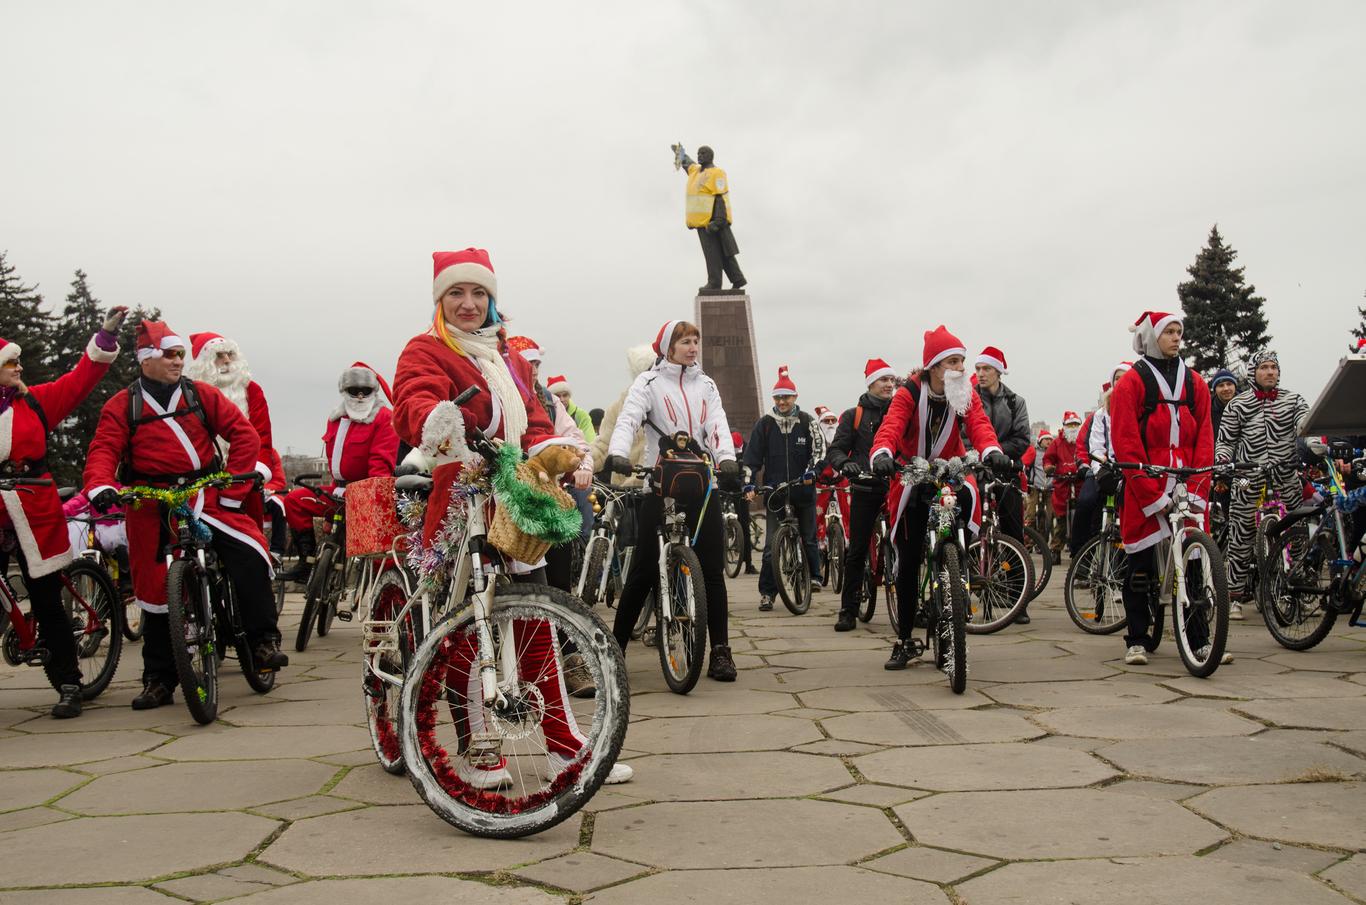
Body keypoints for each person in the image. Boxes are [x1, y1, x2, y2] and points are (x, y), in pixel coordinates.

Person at [391, 248, 631, 787]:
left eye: (480, 294)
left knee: (537, 625)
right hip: (460, 500)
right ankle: (479, 749)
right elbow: (412, 402)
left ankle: (563, 747)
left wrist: (556, 452)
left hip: (517, 505)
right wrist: (440, 420)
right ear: (440, 300)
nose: (469, 303)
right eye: (457, 293)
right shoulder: (425, 350)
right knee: (465, 630)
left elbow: (538, 422)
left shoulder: (510, 359)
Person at [84, 319, 289, 710]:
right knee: (154, 589)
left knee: (249, 551)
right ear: (146, 360)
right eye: (169, 355)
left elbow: (244, 435)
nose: (179, 361)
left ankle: (263, 641)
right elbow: (104, 450)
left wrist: (233, 490)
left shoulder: (201, 395)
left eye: (181, 354)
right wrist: (100, 484)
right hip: (151, 501)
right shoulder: (122, 404)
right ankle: (158, 679)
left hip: (205, 494)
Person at [0, 308, 124, 718]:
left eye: (17, 362)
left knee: (46, 598)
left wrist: (104, 338)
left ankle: (69, 682)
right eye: (10, 363)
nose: (18, 368)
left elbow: (79, 381)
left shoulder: (34, 402)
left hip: (34, 508)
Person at [605, 319, 742, 680]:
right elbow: (629, 419)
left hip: (700, 483)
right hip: (660, 484)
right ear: (668, 348)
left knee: (712, 571)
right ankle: (614, 652)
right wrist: (619, 453)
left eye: (696, 340)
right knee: (645, 570)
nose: (692, 347)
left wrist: (726, 457)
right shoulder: (648, 382)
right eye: (685, 341)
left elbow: (717, 424)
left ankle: (721, 653)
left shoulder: (707, 385)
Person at [870, 327, 1008, 668]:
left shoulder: (964, 391)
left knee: (957, 544)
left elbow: (979, 424)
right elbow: (891, 426)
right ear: (933, 366)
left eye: (962, 360)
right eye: (953, 361)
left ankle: (953, 606)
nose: (962, 368)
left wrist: (992, 451)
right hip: (913, 476)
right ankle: (904, 640)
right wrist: (883, 453)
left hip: (951, 473)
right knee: (909, 557)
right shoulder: (908, 393)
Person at [1111, 310, 1225, 666]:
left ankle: (1200, 639)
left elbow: (1205, 437)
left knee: (1192, 561)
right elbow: (1126, 440)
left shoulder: (1195, 383)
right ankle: (1138, 638)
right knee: (1140, 563)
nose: (1177, 337)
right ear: (1153, 336)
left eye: (1180, 331)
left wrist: (1197, 487)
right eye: (1170, 332)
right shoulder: (1131, 382)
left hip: (1187, 481)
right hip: (1145, 481)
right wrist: (1150, 493)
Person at [278, 363, 400, 582]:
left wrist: (363, 498)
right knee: (295, 501)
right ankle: (306, 562)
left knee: (379, 555)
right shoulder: (335, 419)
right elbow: (337, 463)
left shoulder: (384, 419)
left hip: (366, 494)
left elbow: (380, 468)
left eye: (366, 391)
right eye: (354, 391)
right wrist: (330, 509)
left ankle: (383, 587)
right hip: (337, 492)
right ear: (345, 391)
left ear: (375, 391)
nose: (360, 396)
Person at [1215, 350, 1309, 618]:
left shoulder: (1293, 400)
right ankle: (1234, 596)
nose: (1270, 372)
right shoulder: (1238, 404)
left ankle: (1296, 590)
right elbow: (1225, 441)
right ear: (1253, 373)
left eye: (1273, 368)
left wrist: (1312, 442)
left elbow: (1306, 423)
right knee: (1240, 533)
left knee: (1298, 530)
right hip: (1247, 475)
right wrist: (1222, 461)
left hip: (1286, 474)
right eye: (1264, 368)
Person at [184, 333, 287, 552]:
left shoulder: (251, 390)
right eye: (219, 356)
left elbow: (263, 437)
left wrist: (257, 471)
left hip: (244, 480)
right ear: (205, 363)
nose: (227, 361)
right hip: (201, 482)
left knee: (248, 548)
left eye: (230, 354)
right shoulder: (190, 394)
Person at [825, 358, 898, 631]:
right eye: (883, 380)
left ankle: (912, 606)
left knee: (906, 547)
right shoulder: (852, 415)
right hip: (865, 487)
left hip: (894, 488)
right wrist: (846, 464)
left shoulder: (901, 411)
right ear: (871, 383)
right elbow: (836, 450)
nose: (889, 384)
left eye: (892, 380)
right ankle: (848, 609)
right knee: (856, 550)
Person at [744, 367, 821, 610]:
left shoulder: (808, 421)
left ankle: (814, 577)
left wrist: (813, 471)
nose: (782, 401)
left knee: (808, 538)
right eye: (778, 397)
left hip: (803, 490)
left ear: (795, 397)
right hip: (775, 493)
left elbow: (820, 451)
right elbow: (752, 458)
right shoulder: (765, 425)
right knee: (770, 548)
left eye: (786, 396)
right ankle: (767, 593)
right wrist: (749, 483)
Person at [972, 346, 1033, 621]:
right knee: (969, 527)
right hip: (975, 468)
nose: (981, 374)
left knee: (1013, 531)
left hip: (1005, 470)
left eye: (986, 369)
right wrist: (979, 455)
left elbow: (1022, 438)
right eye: (978, 369)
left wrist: (997, 452)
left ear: (998, 371)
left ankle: (1018, 601)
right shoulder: (969, 399)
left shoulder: (1015, 401)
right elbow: (963, 432)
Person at [1072, 363, 1132, 556]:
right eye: (1117, 378)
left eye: (1125, 377)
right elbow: (1095, 445)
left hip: (1129, 467)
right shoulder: (1101, 414)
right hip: (1103, 466)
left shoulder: (1139, 407)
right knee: (1086, 502)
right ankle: (1080, 554)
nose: (1121, 382)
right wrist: (1100, 470)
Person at [672, 143, 746, 291]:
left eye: (703, 153)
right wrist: (679, 153)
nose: (699, 155)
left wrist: (718, 222)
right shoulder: (695, 172)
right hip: (701, 223)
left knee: (713, 254)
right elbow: (687, 163)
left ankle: (714, 283)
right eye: (698, 153)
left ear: (711, 156)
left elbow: (720, 196)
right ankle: (738, 279)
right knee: (723, 253)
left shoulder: (717, 173)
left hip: (712, 222)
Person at [1044, 411, 1084, 564]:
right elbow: (1049, 458)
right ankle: (1055, 549)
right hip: (1062, 484)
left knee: (1082, 516)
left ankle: (1080, 549)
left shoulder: (1083, 440)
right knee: (1060, 519)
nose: (1073, 427)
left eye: (1076, 424)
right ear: (1064, 426)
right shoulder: (1057, 443)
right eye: (1070, 425)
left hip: (1079, 482)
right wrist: (1049, 467)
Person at [730, 428, 758, 574]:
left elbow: (751, 470)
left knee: (745, 526)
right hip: (726, 485)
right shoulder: (723, 445)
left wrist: (749, 487)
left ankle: (749, 564)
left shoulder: (747, 449)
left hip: (742, 487)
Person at [546, 373, 597, 443]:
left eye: (565, 395)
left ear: (569, 396)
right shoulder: (545, 415)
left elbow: (590, 441)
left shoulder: (581, 415)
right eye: (557, 396)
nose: (561, 399)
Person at [1023, 429, 1054, 533]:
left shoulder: (1053, 452)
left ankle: (1047, 533)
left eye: (1050, 439)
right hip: (1035, 486)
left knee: (1051, 514)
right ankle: (1029, 539)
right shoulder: (1034, 452)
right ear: (1040, 441)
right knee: (1030, 513)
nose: (1049, 441)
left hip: (1050, 487)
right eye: (1046, 439)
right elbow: (1026, 464)